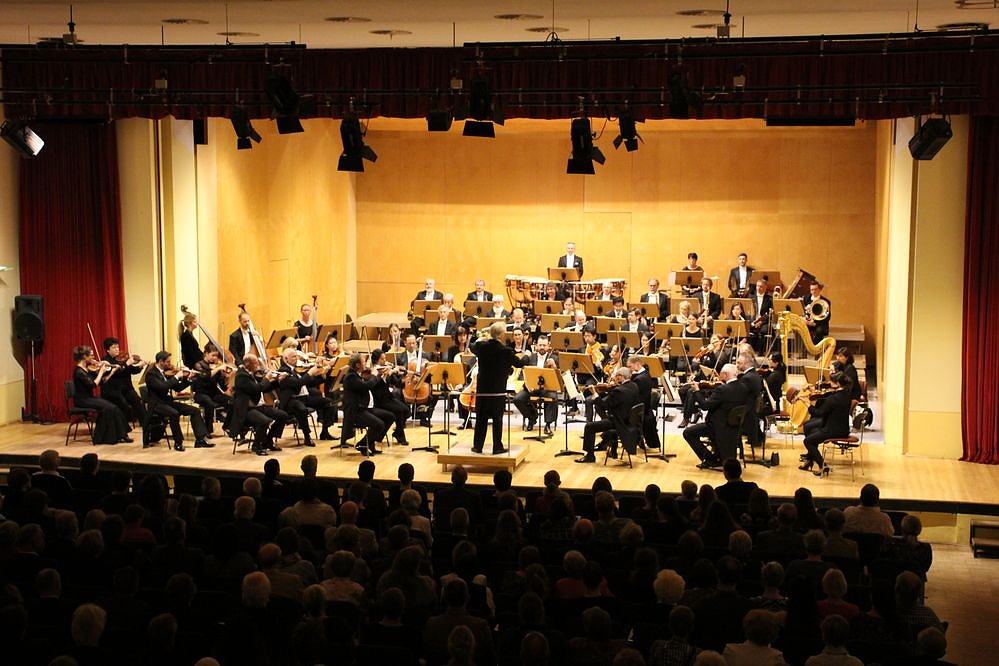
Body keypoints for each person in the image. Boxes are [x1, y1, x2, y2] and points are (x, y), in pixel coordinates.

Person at [471, 322, 527, 455]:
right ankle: (497, 447)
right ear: (501, 335)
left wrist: (482, 338)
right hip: (497, 392)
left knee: (481, 419)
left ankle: (477, 446)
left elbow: (473, 346)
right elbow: (520, 363)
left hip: (483, 391)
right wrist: (527, 355)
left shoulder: (481, 347)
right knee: (497, 420)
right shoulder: (506, 351)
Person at [683, 363, 749, 468]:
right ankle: (716, 456)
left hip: (718, 427)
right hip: (734, 426)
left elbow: (705, 406)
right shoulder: (743, 387)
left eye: (721, 374)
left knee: (688, 433)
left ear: (726, 375)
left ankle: (710, 459)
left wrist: (697, 391)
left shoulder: (722, 390)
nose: (719, 376)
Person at [145, 351, 211, 450]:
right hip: (157, 404)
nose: (169, 364)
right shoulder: (151, 374)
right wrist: (176, 377)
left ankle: (200, 440)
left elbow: (178, 388)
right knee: (174, 413)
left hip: (168, 402)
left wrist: (188, 379)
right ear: (161, 361)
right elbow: (162, 387)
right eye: (167, 362)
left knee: (195, 410)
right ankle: (178, 442)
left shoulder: (165, 373)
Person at [576, 366, 642, 463]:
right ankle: (612, 451)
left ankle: (590, 456)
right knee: (607, 419)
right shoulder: (634, 386)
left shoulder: (618, 391)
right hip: (630, 421)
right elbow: (619, 399)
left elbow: (604, 406)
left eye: (616, 376)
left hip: (619, 422)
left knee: (589, 427)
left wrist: (594, 394)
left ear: (621, 376)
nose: (615, 378)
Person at [228, 353, 287, 455]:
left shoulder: (251, 373)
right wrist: (267, 378)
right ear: (248, 364)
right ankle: (256, 446)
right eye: (255, 363)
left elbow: (264, 387)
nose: (258, 366)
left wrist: (277, 381)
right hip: (247, 409)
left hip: (258, 407)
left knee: (282, 415)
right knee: (264, 421)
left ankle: (268, 440)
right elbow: (257, 388)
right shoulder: (241, 376)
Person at [275, 348, 335, 447]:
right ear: (286, 359)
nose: (296, 359)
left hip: (303, 398)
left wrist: (322, 376)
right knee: (301, 409)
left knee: (329, 402)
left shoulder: (294, 369)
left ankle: (325, 432)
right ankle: (307, 436)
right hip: (291, 400)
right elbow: (298, 383)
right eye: (293, 357)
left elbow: (308, 382)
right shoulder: (283, 371)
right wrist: (310, 373)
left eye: (296, 356)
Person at [72, 346, 131, 444]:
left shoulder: (87, 368)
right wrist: (101, 372)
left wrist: (111, 371)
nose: (93, 357)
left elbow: (102, 381)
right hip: (82, 400)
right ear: (84, 357)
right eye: (91, 355)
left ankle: (120, 435)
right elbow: (93, 384)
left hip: (90, 398)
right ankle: (108, 437)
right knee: (110, 408)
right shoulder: (79, 371)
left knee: (114, 407)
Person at [800, 373, 853, 476]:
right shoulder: (847, 395)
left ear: (837, 384)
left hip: (832, 430)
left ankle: (822, 465)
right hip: (843, 429)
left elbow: (818, 413)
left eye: (832, 381)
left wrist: (807, 403)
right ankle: (810, 461)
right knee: (811, 432)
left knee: (808, 441)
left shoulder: (833, 399)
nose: (830, 383)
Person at [341, 353, 393, 456]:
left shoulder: (357, 374)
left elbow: (368, 383)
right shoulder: (350, 377)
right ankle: (363, 444)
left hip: (365, 408)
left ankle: (371, 441)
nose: (366, 364)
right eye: (364, 362)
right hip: (356, 412)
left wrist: (379, 375)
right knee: (379, 424)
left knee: (389, 416)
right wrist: (375, 375)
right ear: (357, 365)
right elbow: (367, 386)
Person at [513, 335, 560, 435]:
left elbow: (559, 377)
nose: (542, 347)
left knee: (553, 397)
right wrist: (527, 384)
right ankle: (532, 417)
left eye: (544, 345)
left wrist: (554, 366)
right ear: (536, 346)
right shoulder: (530, 358)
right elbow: (522, 375)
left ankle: (548, 424)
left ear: (548, 346)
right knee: (517, 399)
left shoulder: (554, 358)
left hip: (547, 389)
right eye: (540, 345)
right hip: (532, 388)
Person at [100, 337, 147, 426]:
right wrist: (127, 364)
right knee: (124, 405)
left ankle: (145, 424)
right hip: (114, 391)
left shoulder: (122, 359)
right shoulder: (106, 361)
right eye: (114, 347)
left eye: (117, 347)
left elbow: (132, 371)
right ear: (108, 350)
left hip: (127, 389)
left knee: (138, 401)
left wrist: (140, 366)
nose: (117, 349)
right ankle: (122, 426)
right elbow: (116, 373)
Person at [368, 349, 410, 446]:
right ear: (376, 360)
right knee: (399, 411)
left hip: (388, 398)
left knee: (405, 410)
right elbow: (375, 383)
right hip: (380, 400)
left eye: (385, 358)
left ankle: (397, 433)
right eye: (382, 359)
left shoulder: (385, 369)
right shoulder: (374, 371)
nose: (385, 361)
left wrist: (402, 376)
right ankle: (398, 435)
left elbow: (396, 383)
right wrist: (387, 373)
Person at [192, 346, 233, 438]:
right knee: (209, 404)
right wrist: (217, 369)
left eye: (216, 356)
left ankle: (227, 426)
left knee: (232, 402)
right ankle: (207, 430)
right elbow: (205, 376)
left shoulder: (216, 366)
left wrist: (225, 376)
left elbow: (222, 385)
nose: (215, 358)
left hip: (213, 393)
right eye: (213, 355)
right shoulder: (198, 365)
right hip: (201, 393)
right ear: (206, 354)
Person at [627, 355, 661, 450]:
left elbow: (634, 396)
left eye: (630, 367)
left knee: (617, 414)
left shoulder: (639, 379)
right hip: (645, 408)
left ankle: (629, 440)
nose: (629, 369)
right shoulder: (645, 373)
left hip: (640, 410)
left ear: (637, 365)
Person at [749, 280, 774, 351]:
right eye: (757, 286)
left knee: (764, 330)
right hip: (752, 321)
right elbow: (748, 312)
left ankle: (761, 351)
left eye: (761, 286)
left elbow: (770, 313)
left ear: (765, 287)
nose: (758, 288)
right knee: (745, 329)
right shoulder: (750, 297)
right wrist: (753, 322)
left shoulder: (769, 299)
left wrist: (761, 322)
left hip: (763, 322)